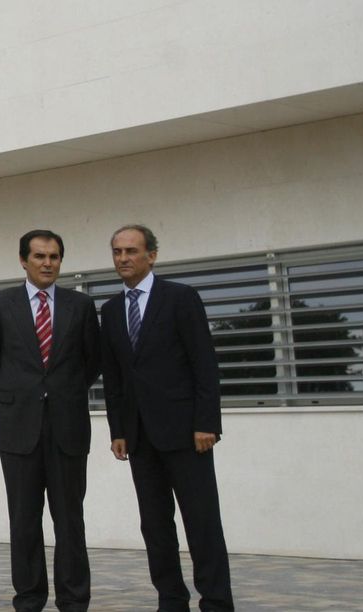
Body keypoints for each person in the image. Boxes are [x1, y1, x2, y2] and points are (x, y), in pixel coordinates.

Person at [98, 225, 232, 612]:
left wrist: (207, 422)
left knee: (202, 524)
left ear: (152, 256)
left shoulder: (181, 298)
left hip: (189, 434)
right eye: (117, 252)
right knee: (156, 528)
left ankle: (217, 602)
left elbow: (204, 364)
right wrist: (118, 430)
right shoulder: (110, 310)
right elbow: (116, 377)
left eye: (132, 251)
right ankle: (171, 601)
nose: (123, 258)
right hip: (139, 438)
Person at [0, 230, 101, 612]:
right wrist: (24, 392)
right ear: (23, 260)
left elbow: (92, 361)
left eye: (55, 257)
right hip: (18, 428)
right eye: (40, 256)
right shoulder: (0, 304)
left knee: (70, 520)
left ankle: (74, 599)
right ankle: (29, 599)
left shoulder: (80, 306)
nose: (48, 263)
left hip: (68, 426)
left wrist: (59, 391)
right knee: (24, 520)